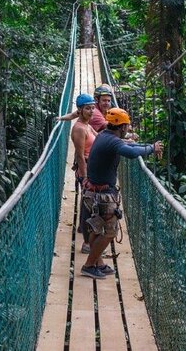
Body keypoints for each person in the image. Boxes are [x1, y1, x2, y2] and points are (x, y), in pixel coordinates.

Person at [80, 108, 163, 279]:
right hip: (101, 195)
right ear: (122, 126)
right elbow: (131, 153)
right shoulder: (111, 141)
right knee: (109, 232)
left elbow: (129, 145)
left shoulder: (105, 135)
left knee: (99, 228)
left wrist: (148, 146)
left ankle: (98, 263)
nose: (128, 128)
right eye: (127, 125)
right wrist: (151, 148)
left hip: (95, 191)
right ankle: (89, 265)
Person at [70, 93, 98, 254]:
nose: (92, 111)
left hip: (92, 166)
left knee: (87, 201)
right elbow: (80, 155)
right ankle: (87, 244)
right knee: (89, 204)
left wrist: (123, 140)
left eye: (93, 107)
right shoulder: (79, 128)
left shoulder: (87, 125)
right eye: (88, 108)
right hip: (86, 168)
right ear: (80, 110)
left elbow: (100, 137)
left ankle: (83, 228)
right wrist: (85, 177)